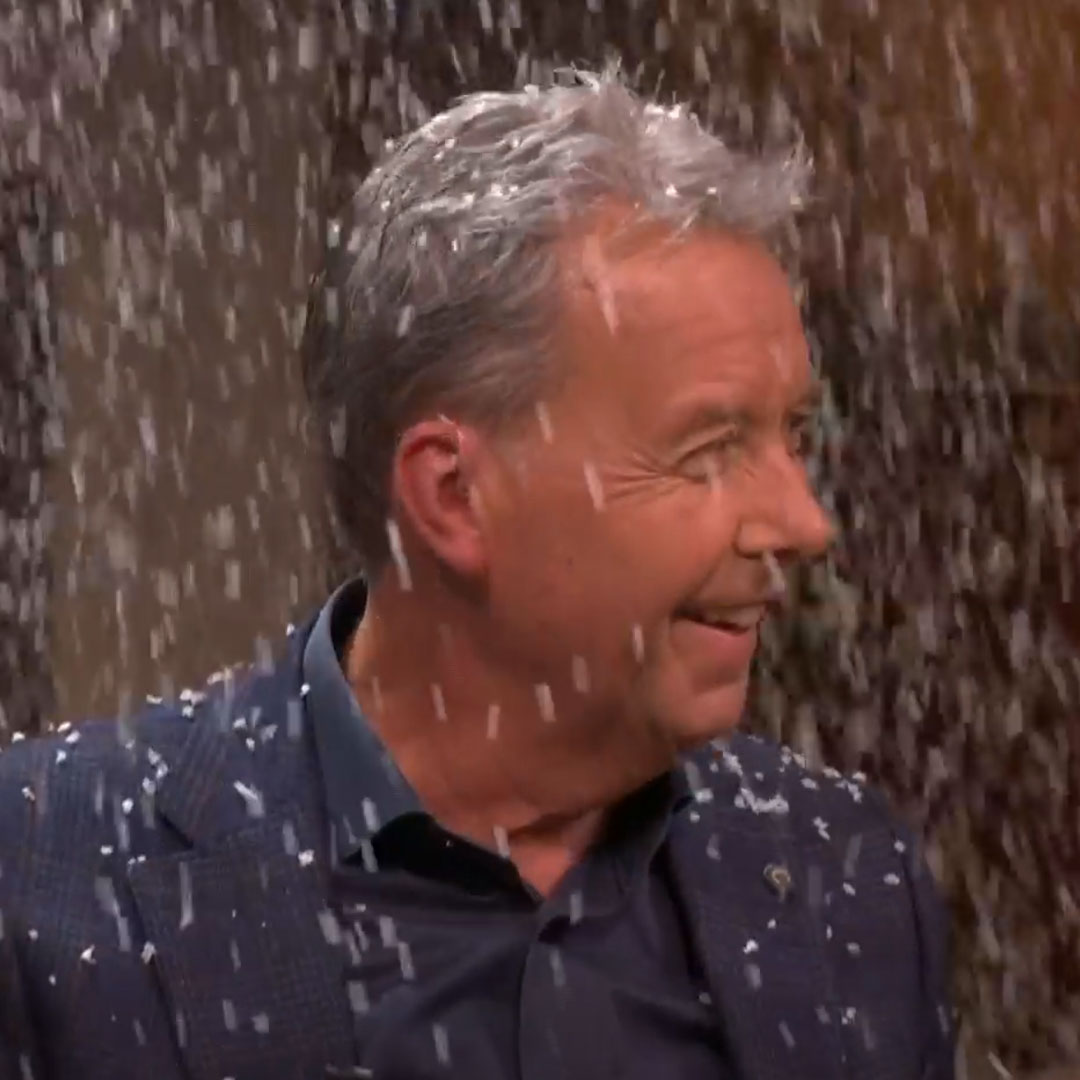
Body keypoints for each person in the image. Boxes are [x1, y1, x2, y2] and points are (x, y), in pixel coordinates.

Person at [0, 68, 954, 1080]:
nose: (803, 523)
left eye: (793, 436)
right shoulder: (43, 879)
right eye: (710, 450)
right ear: (453, 495)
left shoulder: (846, 882)